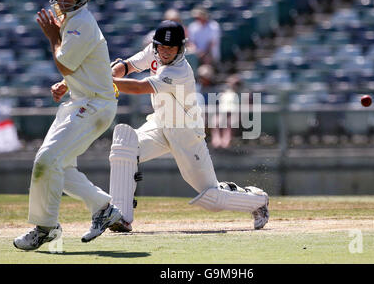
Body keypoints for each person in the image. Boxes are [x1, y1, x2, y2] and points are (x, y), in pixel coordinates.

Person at [107, 20, 269, 232]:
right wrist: (111, 73)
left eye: (171, 48)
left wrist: (103, 82)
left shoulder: (180, 70)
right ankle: (121, 216)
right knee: (124, 148)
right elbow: (127, 66)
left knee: (213, 198)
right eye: (162, 47)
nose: (165, 52)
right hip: (160, 123)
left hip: (185, 133)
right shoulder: (154, 52)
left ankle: (258, 200)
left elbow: (139, 87)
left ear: (180, 49)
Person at [13, 0, 122, 251]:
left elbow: (65, 62)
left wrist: (52, 37)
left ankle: (45, 227)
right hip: (81, 100)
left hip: (94, 104)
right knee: (58, 166)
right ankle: (103, 208)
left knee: (46, 160)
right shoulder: (70, 19)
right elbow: (80, 65)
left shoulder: (80, 21)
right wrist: (66, 83)